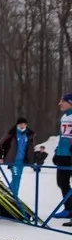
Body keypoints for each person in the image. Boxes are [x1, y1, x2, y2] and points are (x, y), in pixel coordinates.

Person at [0, 117, 36, 196]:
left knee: (17, 178)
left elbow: (31, 148)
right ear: (17, 124)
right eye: (21, 124)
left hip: (22, 160)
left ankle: (8, 193)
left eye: (24, 124)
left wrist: (32, 159)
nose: (22, 126)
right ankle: (14, 195)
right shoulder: (11, 134)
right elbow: (0, 144)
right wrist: (0, 157)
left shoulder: (29, 134)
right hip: (12, 160)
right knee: (16, 176)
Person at [54, 93, 72, 224]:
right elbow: (62, 136)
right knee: (62, 182)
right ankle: (69, 208)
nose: (60, 103)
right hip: (63, 154)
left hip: (70, 154)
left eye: (63, 101)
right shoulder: (64, 116)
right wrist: (57, 152)